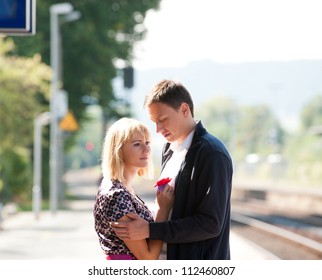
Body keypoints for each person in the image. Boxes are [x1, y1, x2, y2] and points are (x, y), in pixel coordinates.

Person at [112, 79, 233, 260]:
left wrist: (150, 230)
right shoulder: (168, 149)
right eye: (154, 121)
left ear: (184, 110)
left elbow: (210, 224)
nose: (158, 129)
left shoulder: (212, 153)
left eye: (162, 120)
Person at [93, 117, 174, 260]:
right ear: (118, 151)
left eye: (147, 143)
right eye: (137, 144)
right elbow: (147, 258)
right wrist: (163, 209)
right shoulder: (116, 195)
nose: (147, 149)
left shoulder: (122, 188)